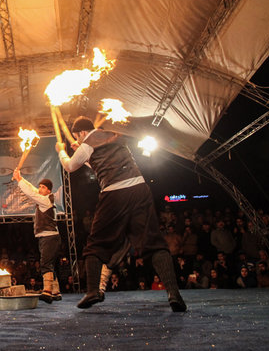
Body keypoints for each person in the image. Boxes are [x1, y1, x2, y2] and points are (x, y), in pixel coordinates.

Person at [55, 115, 186, 312]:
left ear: (82, 132)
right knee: (153, 242)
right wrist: (83, 152)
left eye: (78, 136)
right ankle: (174, 294)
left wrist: (62, 152)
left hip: (115, 193)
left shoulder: (88, 141)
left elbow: (70, 166)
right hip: (140, 189)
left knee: (95, 244)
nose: (80, 140)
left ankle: (92, 291)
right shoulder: (112, 135)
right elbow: (102, 163)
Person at [11, 170, 62, 303]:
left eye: (43, 187)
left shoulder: (46, 201)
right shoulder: (45, 198)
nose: (39, 189)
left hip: (49, 237)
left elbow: (30, 193)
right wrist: (21, 177)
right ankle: (56, 291)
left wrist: (18, 180)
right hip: (47, 237)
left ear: (49, 191)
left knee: (45, 264)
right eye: (40, 186)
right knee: (49, 264)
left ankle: (47, 292)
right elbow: (32, 189)